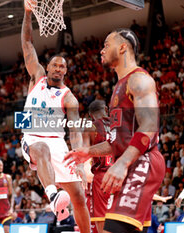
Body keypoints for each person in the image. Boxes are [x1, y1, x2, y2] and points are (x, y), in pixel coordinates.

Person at [64, 28, 165, 233]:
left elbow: (149, 126)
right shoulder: (118, 86)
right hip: (132, 163)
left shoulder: (139, 79)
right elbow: (117, 142)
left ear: (122, 47)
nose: (101, 50)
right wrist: (88, 152)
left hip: (143, 161)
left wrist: (122, 163)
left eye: (106, 45)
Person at [21, 2, 90, 232]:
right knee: (42, 148)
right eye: (55, 65)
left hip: (58, 142)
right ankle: (53, 195)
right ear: (47, 67)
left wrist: (78, 157)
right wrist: (27, 12)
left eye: (63, 67)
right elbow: (28, 43)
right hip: (32, 138)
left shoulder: (69, 98)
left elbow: (75, 130)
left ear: (66, 72)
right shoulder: (37, 77)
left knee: (78, 197)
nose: (58, 68)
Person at [83, 100, 111, 233]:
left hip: (102, 177)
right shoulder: (118, 125)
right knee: (122, 218)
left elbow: (83, 152)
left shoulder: (91, 127)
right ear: (106, 109)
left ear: (90, 115)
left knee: (101, 219)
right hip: (120, 174)